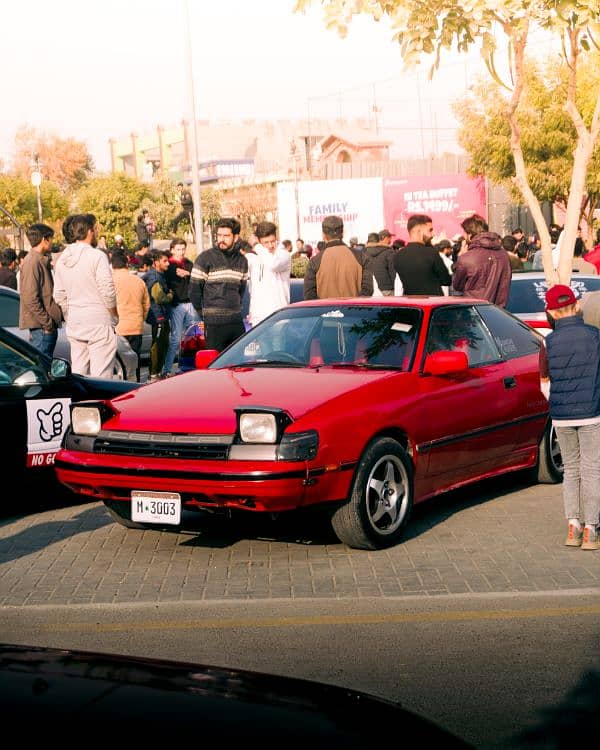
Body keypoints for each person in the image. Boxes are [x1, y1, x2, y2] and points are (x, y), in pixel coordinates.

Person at [539, 284, 600, 550]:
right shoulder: (594, 335)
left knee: (571, 470)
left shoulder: (547, 341)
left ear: (551, 312)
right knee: (592, 470)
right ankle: (591, 530)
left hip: (561, 416)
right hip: (592, 412)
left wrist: (558, 403)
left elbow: (544, 383)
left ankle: (573, 526)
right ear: (576, 306)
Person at [53, 214, 118, 377]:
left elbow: (59, 295)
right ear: (89, 231)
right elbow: (107, 290)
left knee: (78, 372)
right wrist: (114, 314)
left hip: (75, 320)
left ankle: (79, 403)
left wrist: (69, 314)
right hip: (98, 319)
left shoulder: (62, 259)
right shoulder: (97, 256)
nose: (96, 233)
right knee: (101, 375)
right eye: (95, 229)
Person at [189, 217, 248, 351]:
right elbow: (194, 292)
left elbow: (241, 290)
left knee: (239, 366)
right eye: (219, 235)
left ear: (236, 237)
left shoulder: (243, 261)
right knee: (216, 367)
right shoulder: (205, 258)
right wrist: (204, 316)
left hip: (236, 323)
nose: (221, 239)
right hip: (213, 325)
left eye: (226, 236)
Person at [18, 223, 62, 357]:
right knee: (41, 370)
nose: (52, 242)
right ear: (44, 239)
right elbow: (30, 298)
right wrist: (47, 324)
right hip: (41, 328)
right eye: (51, 238)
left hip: (43, 326)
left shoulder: (39, 260)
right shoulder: (32, 262)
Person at [303, 215, 373, 300]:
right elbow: (367, 290)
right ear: (343, 233)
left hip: (324, 312)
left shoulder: (315, 261)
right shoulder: (360, 256)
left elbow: (309, 296)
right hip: (354, 311)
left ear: (323, 235)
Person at [452, 214, 511, 306]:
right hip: (498, 312)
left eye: (464, 232)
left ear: (470, 234)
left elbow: (457, 286)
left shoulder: (466, 258)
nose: (463, 236)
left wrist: (460, 259)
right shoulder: (504, 255)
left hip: (474, 311)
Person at [162, 237, 199, 377]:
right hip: (177, 305)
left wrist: (188, 274)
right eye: (178, 249)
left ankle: (191, 367)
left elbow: (197, 277)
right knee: (176, 338)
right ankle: (166, 369)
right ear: (172, 250)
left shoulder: (188, 263)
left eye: (183, 249)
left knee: (193, 338)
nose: (181, 252)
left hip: (190, 303)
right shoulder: (168, 265)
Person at [111, 251, 150, 382]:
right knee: (135, 360)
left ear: (112, 265)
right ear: (127, 264)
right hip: (135, 326)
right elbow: (147, 305)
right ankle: (135, 386)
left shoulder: (110, 282)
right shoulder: (139, 281)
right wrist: (140, 318)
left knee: (116, 363)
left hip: (117, 328)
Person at [246, 220, 291, 327]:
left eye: (273, 241)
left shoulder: (283, 255)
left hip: (278, 316)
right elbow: (252, 287)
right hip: (258, 317)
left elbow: (273, 264)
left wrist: (257, 246)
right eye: (266, 242)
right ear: (260, 241)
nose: (270, 245)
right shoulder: (253, 257)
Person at [393, 214, 451, 295]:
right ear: (419, 231)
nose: (432, 234)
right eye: (430, 230)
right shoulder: (431, 253)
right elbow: (446, 280)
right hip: (433, 303)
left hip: (412, 303)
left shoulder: (398, 256)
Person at [144, 249, 174, 382]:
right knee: (158, 345)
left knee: (163, 344)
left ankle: (157, 372)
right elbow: (159, 297)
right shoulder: (154, 277)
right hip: (158, 317)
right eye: (165, 261)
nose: (168, 264)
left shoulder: (159, 275)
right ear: (156, 263)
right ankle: (154, 374)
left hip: (162, 316)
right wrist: (171, 295)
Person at [364, 231, 396, 296]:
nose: (390, 239)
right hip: (387, 289)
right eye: (389, 237)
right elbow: (393, 272)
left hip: (370, 290)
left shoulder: (364, 253)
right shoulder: (389, 252)